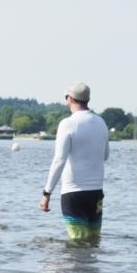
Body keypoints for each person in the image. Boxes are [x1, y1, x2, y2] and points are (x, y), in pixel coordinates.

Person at [39, 82, 109, 241]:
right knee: (93, 240)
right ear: (87, 99)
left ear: (70, 98)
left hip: (73, 193)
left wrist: (47, 193)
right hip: (96, 192)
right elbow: (105, 155)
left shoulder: (67, 124)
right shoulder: (101, 123)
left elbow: (59, 160)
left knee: (76, 241)